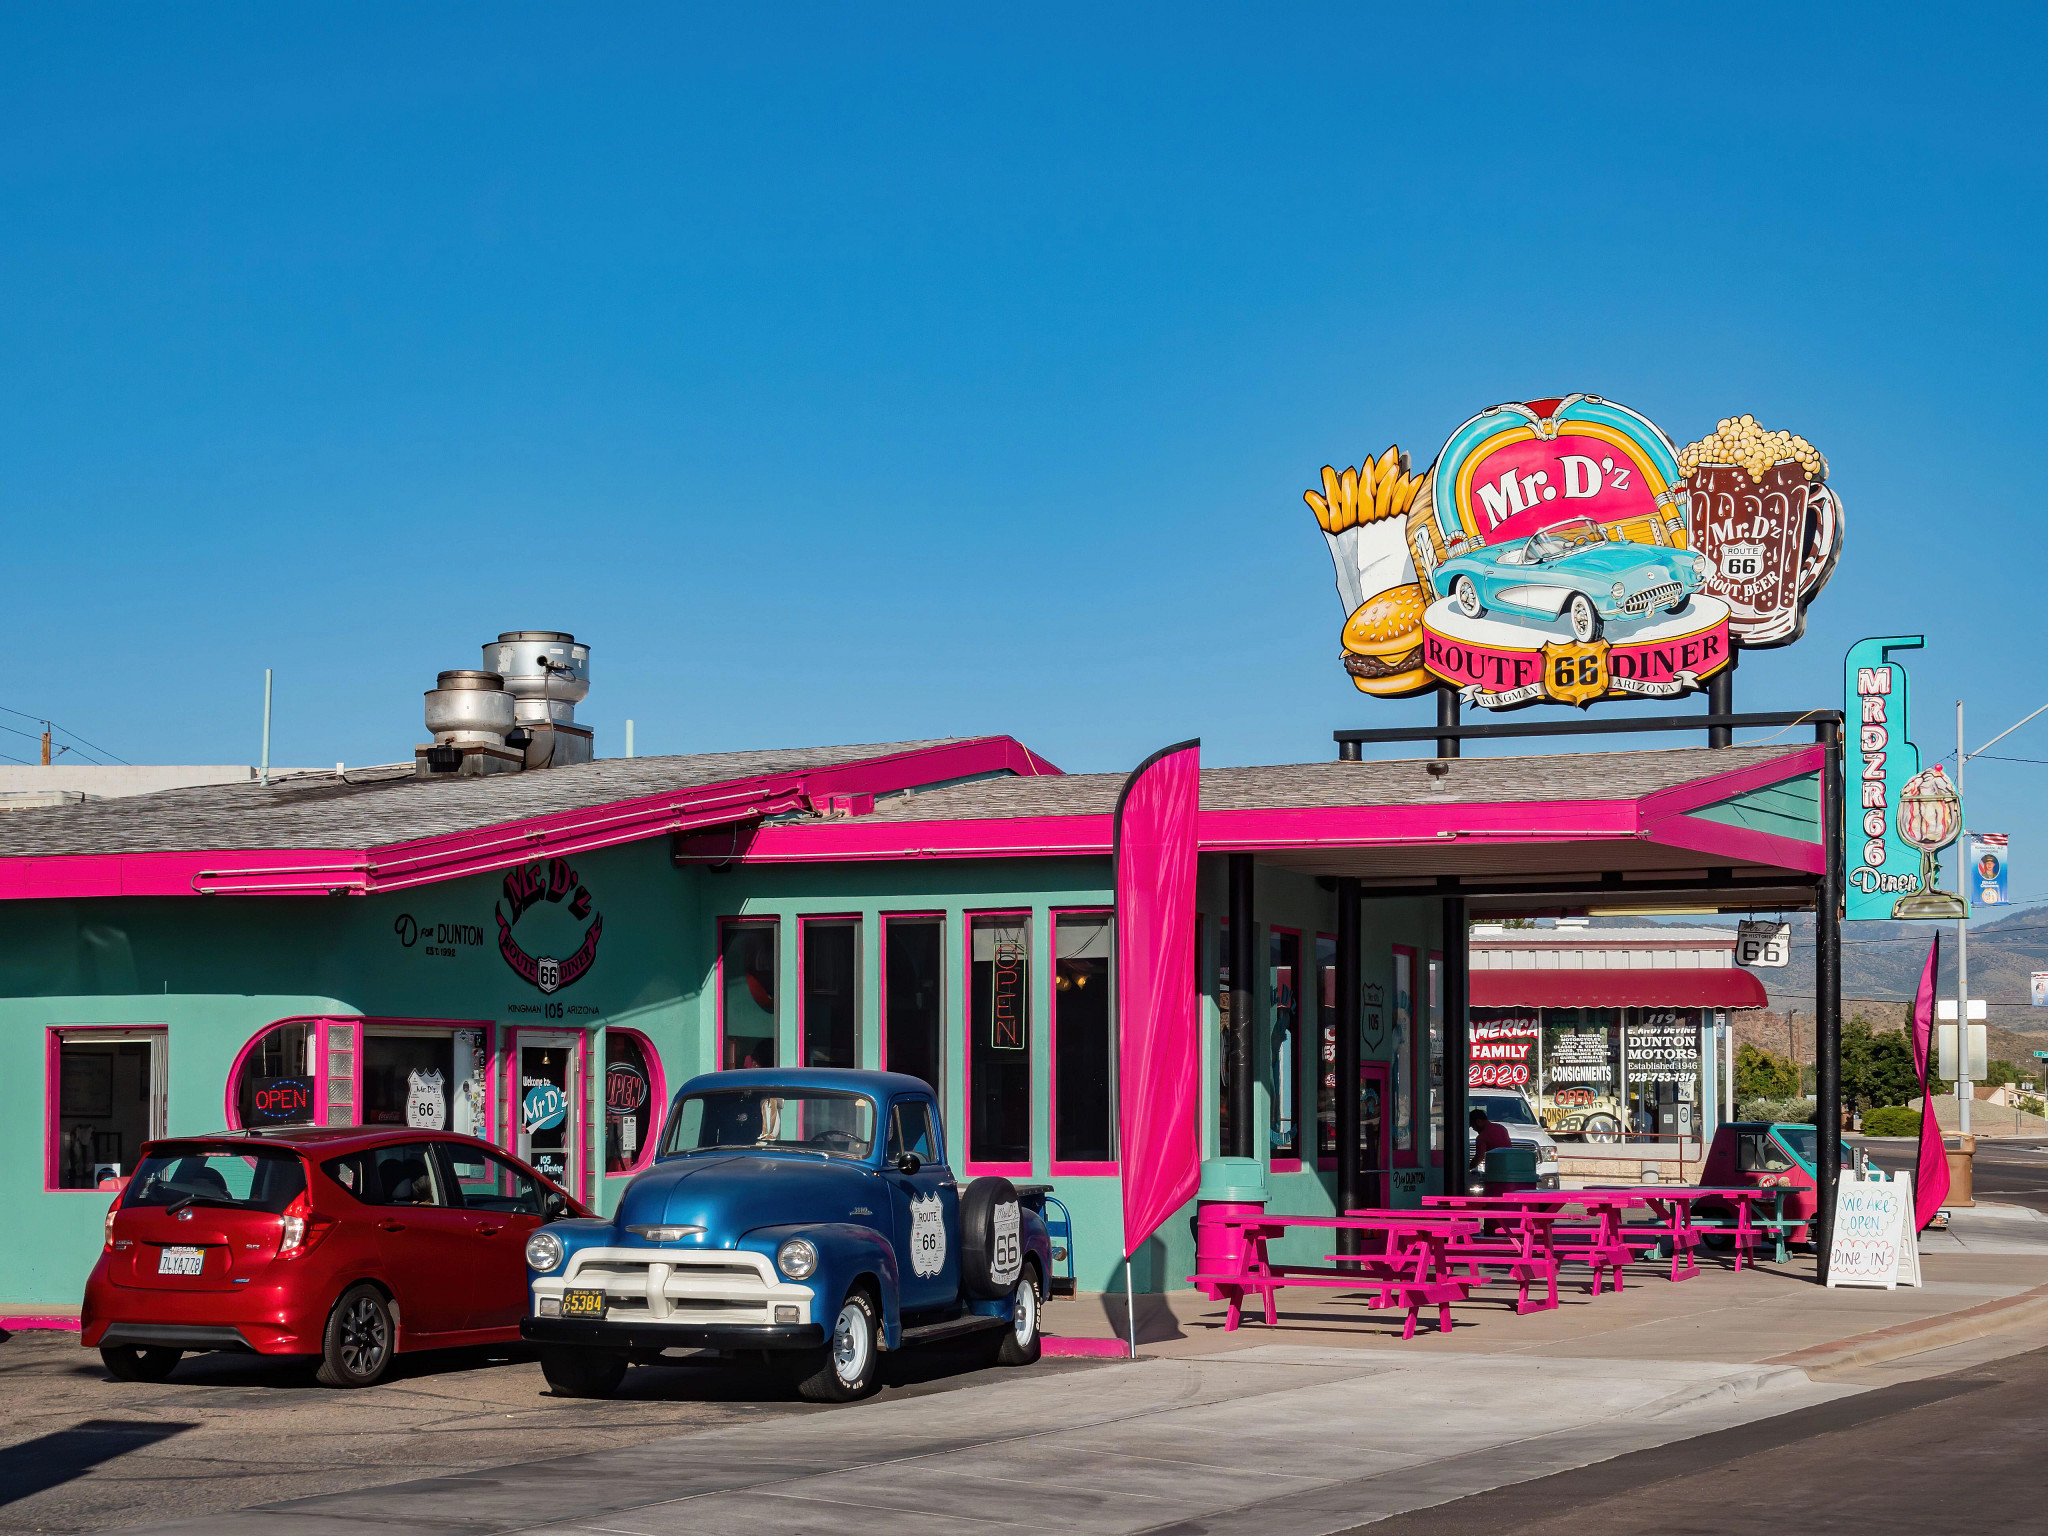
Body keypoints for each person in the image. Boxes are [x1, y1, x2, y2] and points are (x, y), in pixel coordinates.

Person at [1468, 1106, 1511, 1173]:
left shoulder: (1482, 1137)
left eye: (1472, 1125)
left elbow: (1479, 1158)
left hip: (1495, 1169)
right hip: (1509, 1166)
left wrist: (1467, 1168)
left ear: (1478, 1121)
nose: (1473, 1129)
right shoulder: (1501, 1128)